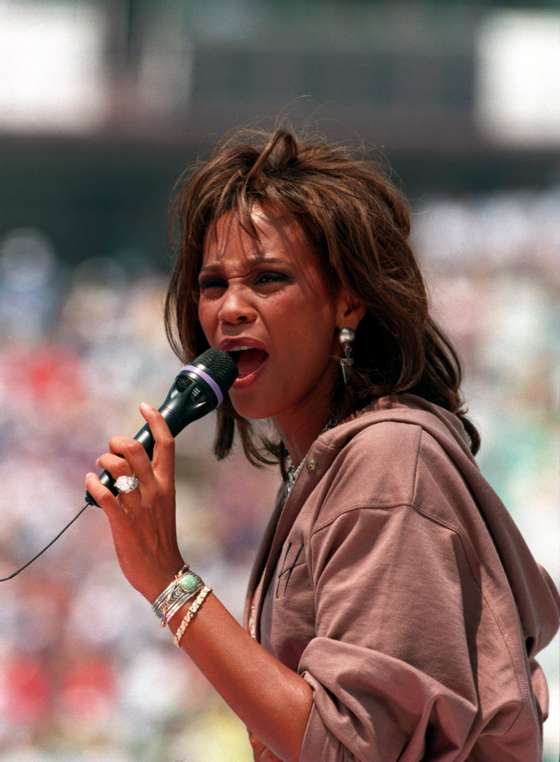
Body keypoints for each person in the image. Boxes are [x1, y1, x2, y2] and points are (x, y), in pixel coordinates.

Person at [84, 127, 560, 762]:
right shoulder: (331, 468)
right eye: (212, 284)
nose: (230, 309)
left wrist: (170, 581)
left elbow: (345, 748)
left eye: (268, 278)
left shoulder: (389, 464)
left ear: (349, 300)